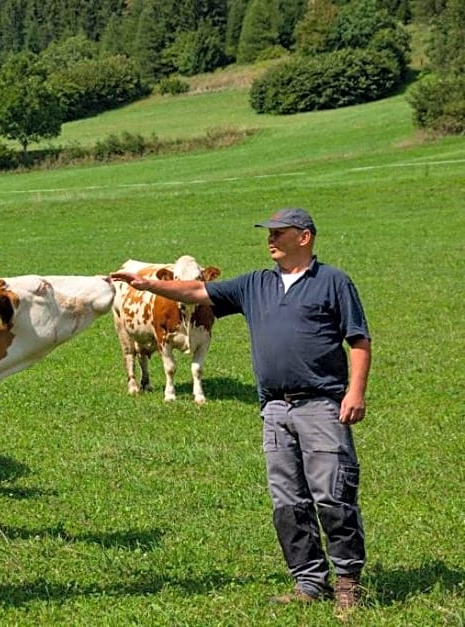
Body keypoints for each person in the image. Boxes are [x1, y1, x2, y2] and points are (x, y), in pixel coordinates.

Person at [111, 208, 371, 619]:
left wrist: (355, 392)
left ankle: (348, 584)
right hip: (273, 408)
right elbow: (197, 293)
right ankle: (308, 582)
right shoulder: (255, 284)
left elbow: (358, 339)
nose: (271, 240)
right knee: (287, 500)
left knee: (333, 495)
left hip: (321, 403)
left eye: (279, 233)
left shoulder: (333, 282)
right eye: (269, 233)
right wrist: (145, 283)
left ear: (304, 238)